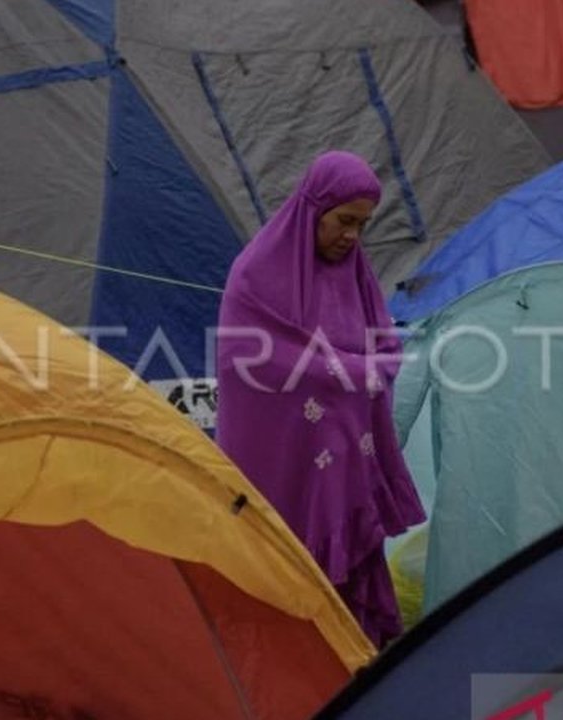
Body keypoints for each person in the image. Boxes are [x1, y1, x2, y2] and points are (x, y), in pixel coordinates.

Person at [215, 150, 425, 647]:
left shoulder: (355, 272)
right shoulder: (256, 275)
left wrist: (371, 365)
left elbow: (384, 340)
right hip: (288, 457)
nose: (351, 235)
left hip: (347, 449)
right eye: (343, 221)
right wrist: (351, 371)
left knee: (351, 587)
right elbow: (255, 358)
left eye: (362, 225)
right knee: (289, 579)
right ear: (314, 210)